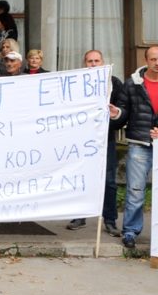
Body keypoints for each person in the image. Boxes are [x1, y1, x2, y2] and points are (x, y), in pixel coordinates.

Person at [67, 50, 123, 236]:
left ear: (103, 62)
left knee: (109, 181)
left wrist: (114, 116)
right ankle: (79, 215)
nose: (93, 64)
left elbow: (122, 113)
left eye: (96, 61)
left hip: (105, 138)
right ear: (85, 64)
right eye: (89, 61)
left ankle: (109, 219)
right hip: (81, 139)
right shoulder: (76, 83)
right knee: (80, 177)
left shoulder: (114, 83)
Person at [110, 46, 158, 249]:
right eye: (154, 58)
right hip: (139, 145)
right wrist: (116, 114)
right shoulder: (132, 84)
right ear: (146, 60)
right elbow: (124, 113)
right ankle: (130, 231)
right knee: (135, 191)